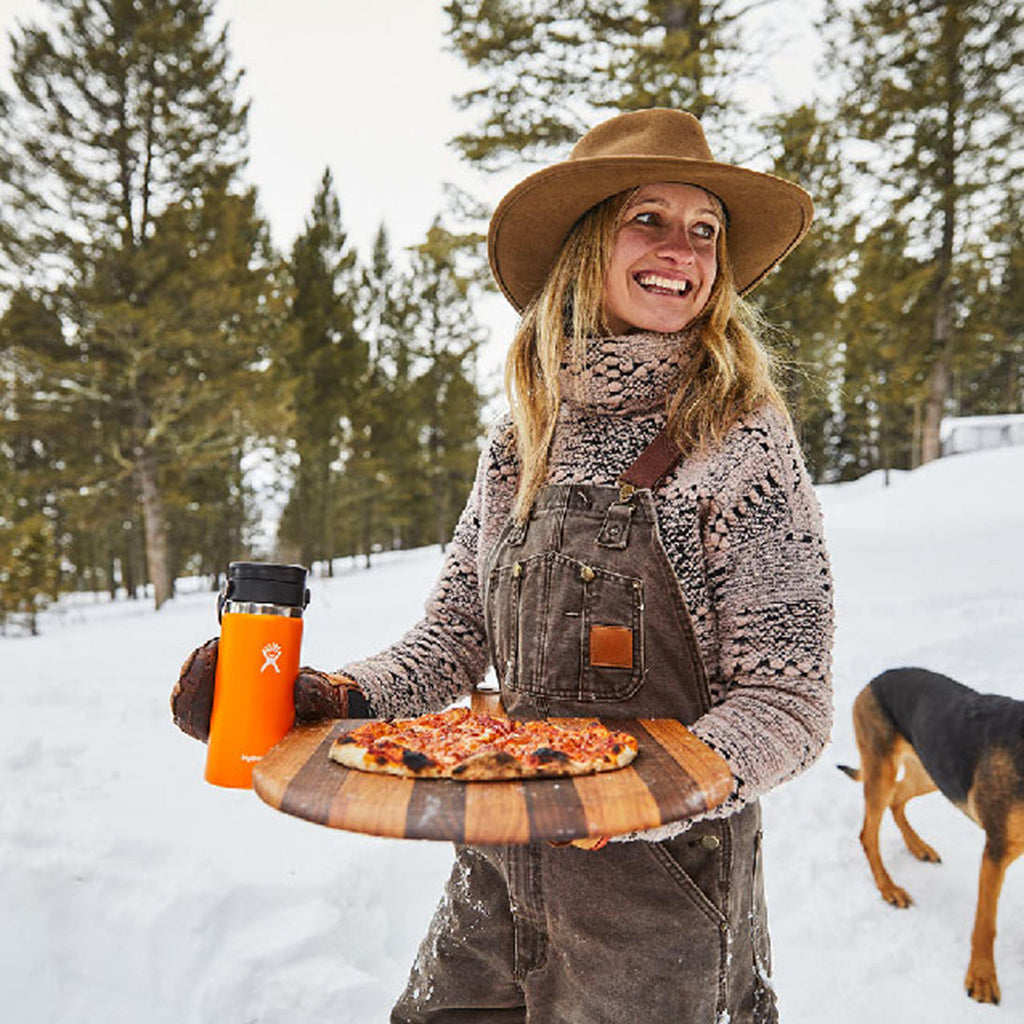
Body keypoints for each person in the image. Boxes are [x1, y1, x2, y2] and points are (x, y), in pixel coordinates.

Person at [172, 107, 834, 1024]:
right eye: (648, 219)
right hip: (498, 867)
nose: (681, 250)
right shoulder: (520, 441)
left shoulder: (741, 440)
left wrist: (636, 796)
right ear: (586, 246)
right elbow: (452, 638)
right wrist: (330, 696)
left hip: (658, 897)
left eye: (705, 230)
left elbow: (788, 702)